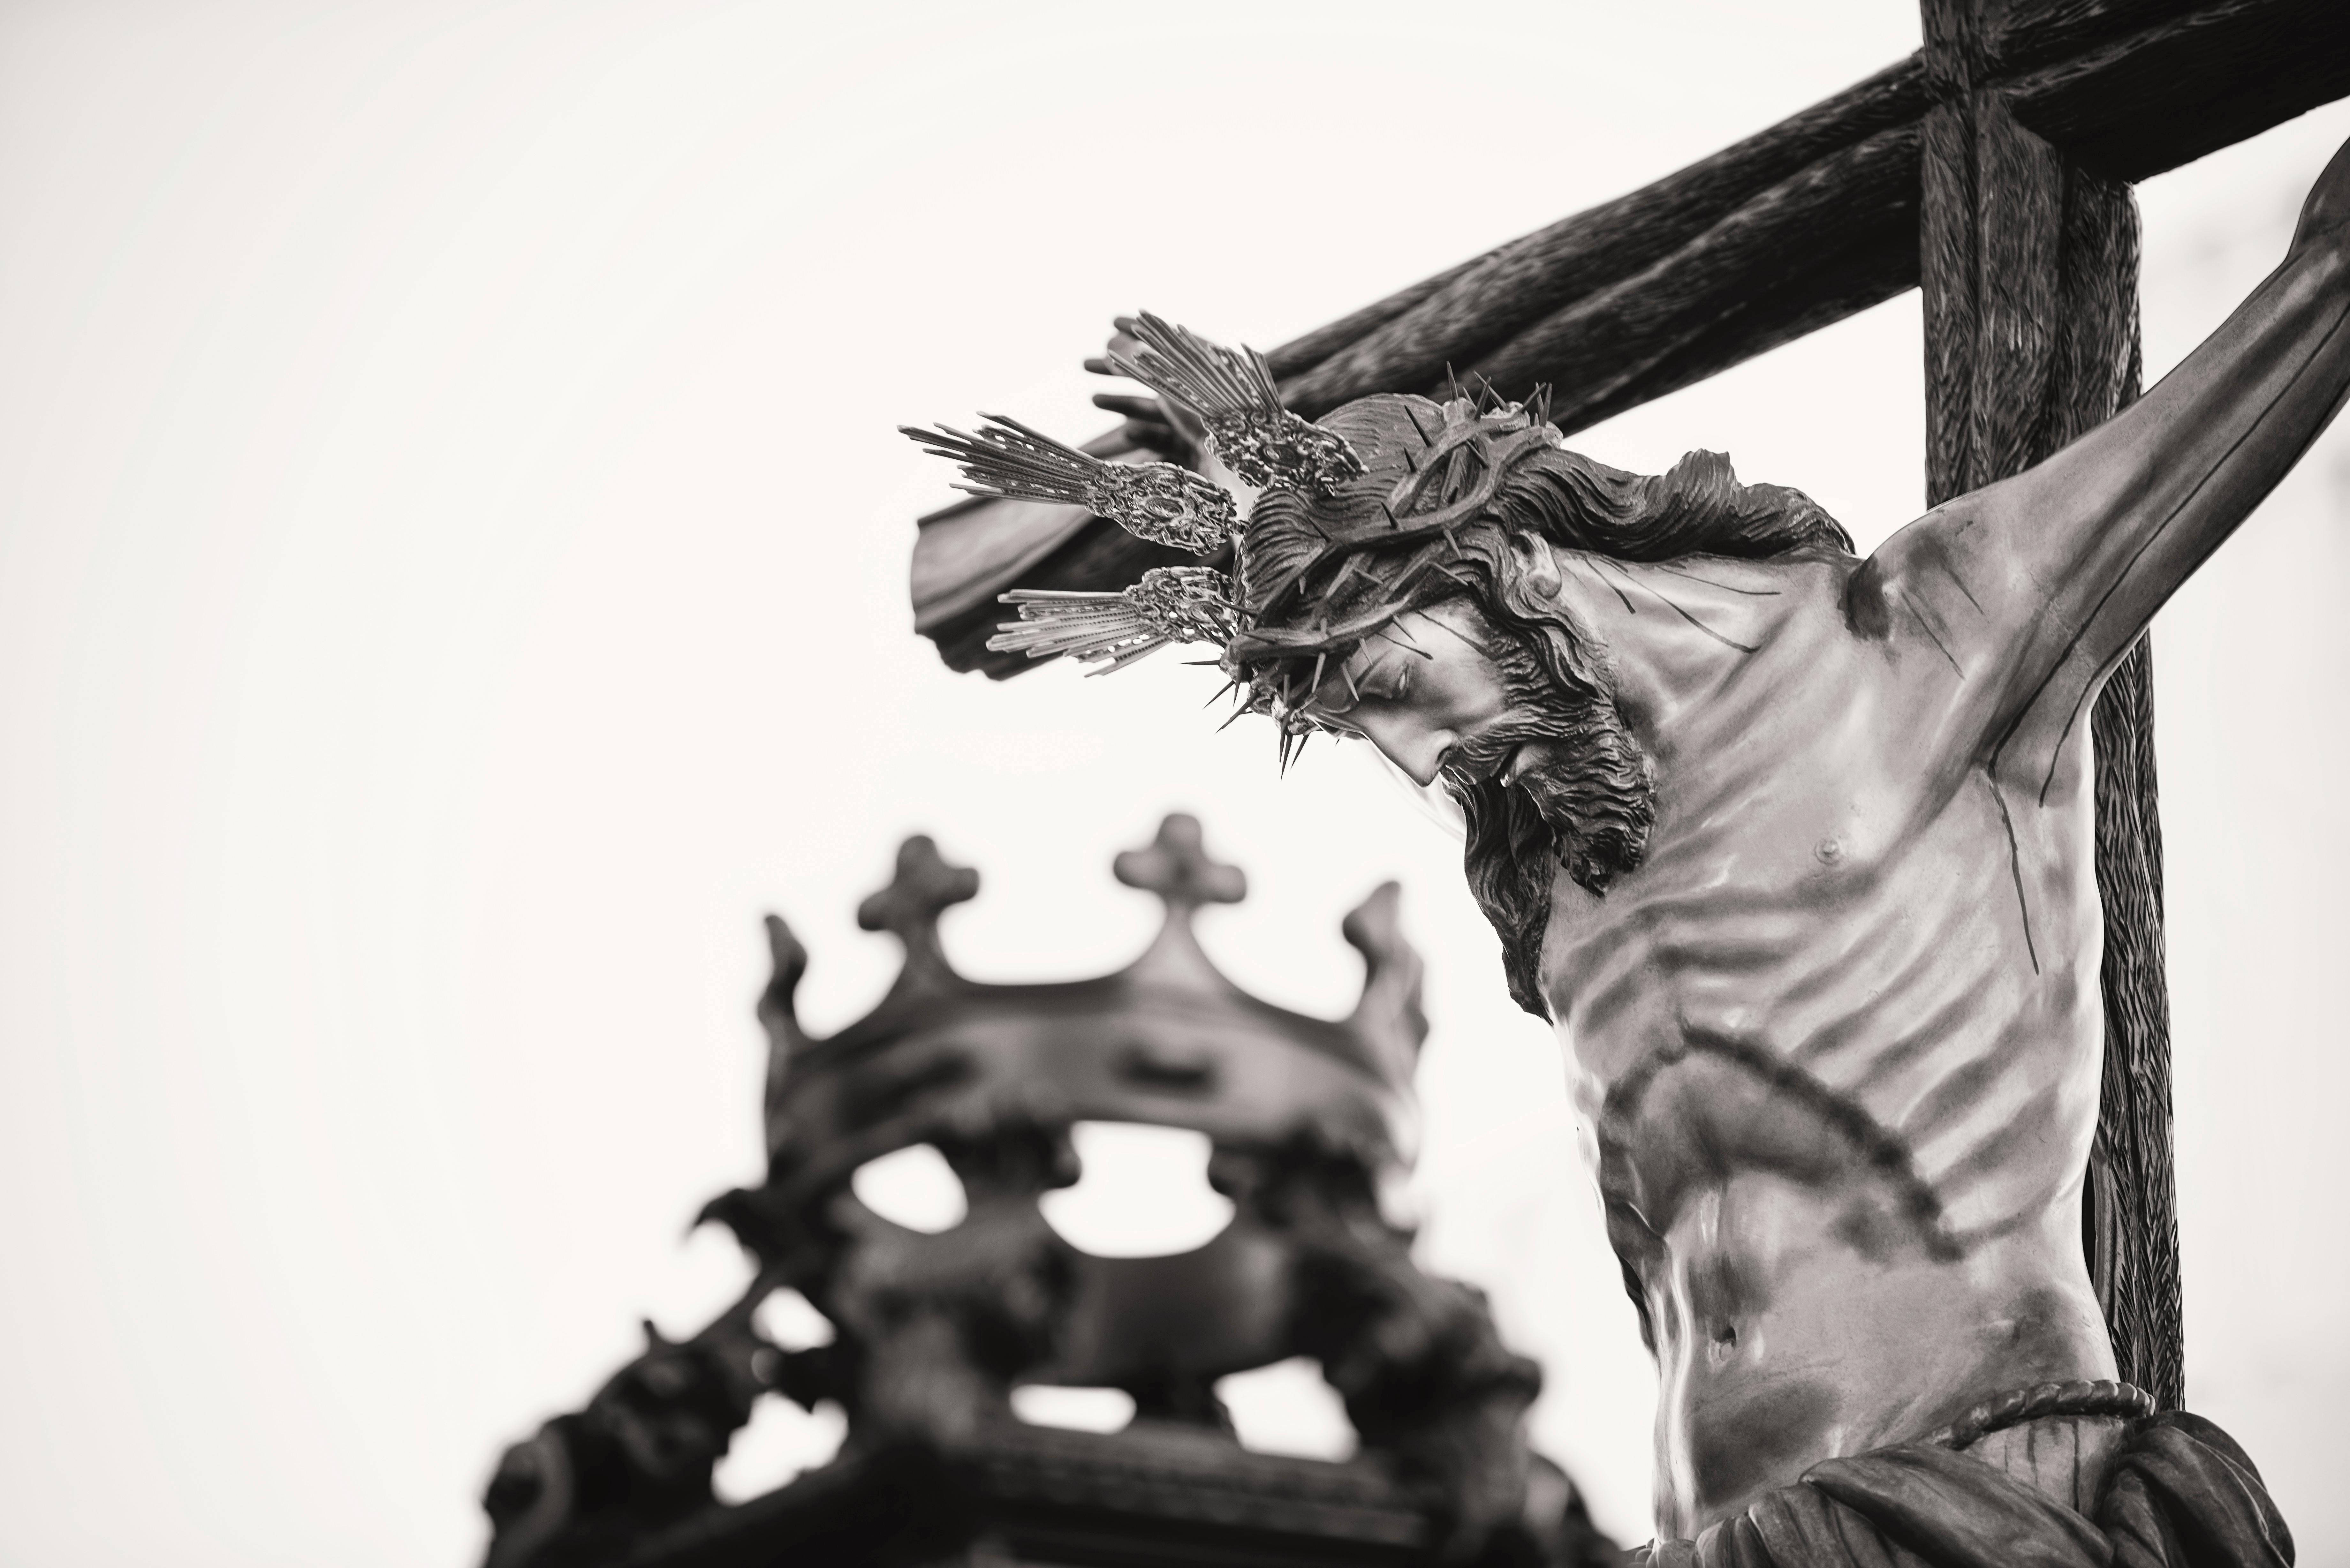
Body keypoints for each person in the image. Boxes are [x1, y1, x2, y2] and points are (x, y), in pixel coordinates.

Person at [904, 131, 2350, 1568]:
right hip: (1699, 1536)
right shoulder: (1560, 865)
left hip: (1974, 1484)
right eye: (1360, 729)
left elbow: (2282, 345)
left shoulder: (1921, 645)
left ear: (1508, 568)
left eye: (1396, 687)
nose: (1419, 761)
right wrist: (1235, 494)